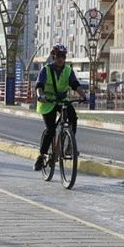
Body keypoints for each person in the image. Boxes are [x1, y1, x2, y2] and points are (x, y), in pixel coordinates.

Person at [33, 43, 88, 171]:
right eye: (58, 56)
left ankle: (69, 147)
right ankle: (41, 156)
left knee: (73, 118)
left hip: (62, 101)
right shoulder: (46, 70)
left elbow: (75, 85)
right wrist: (40, 96)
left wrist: (85, 97)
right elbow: (39, 86)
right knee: (51, 130)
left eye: (63, 56)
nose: (60, 59)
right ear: (53, 56)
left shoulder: (68, 71)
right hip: (47, 102)